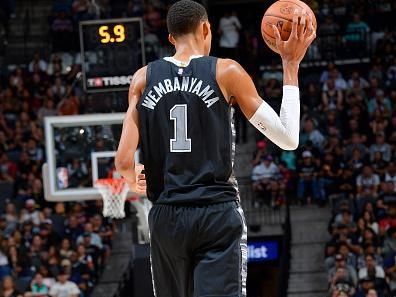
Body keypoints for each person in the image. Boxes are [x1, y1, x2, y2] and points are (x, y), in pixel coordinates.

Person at [115, 1, 316, 296]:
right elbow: (288, 139)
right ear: (207, 28)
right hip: (216, 213)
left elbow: (122, 162)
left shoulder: (143, 78)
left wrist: (134, 179)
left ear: (171, 38)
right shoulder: (226, 71)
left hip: (166, 216)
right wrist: (290, 65)